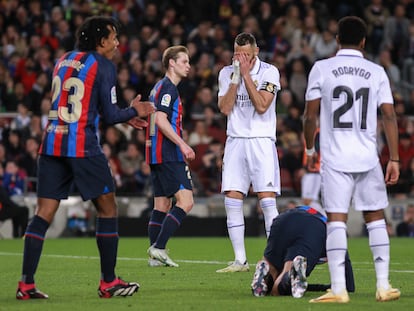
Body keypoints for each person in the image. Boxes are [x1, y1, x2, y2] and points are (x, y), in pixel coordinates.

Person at [16, 16, 155, 300]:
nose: (117, 44)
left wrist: (122, 114)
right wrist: (135, 110)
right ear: (101, 40)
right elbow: (112, 114)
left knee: (43, 213)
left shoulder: (63, 59)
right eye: (114, 38)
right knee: (108, 208)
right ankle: (109, 282)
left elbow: (90, 105)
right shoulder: (104, 65)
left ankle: (26, 285)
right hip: (81, 146)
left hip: (52, 142)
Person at [303, 16, 401, 303]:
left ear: (336, 40)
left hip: (334, 157)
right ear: (363, 41)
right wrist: (393, 158)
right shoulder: (376, 71)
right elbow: (390, 115)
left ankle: (338, 289)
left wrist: (310, 149)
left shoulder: (322, 68)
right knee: (375, 218)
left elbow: (310, 115)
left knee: (336, 220)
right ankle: (383, 286)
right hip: (368, 156)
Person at [216, 32, 281, 273]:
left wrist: (246, 76)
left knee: (266, 199)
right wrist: (236, 78)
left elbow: (263, 106)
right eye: (236, 52)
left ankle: (274, 258)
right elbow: (224, 108)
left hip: (261, 141)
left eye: (244, 53)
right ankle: (240, 260)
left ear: (256, 51)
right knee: (232, 198)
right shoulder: (225, 73)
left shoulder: (269, 72)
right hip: (235, 140)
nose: (239, 57)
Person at [146, 45, 195, 268]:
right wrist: (183, 144)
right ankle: (159, 247)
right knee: (186, 201)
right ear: (171, 63)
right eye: (184, 61)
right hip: (168, 153)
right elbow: (160, 119)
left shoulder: (157, 88)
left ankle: (154, 256)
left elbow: (152, 117)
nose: (188, 66)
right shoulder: (168, 89)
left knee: (161, 205)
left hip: (154, 152)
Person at [250, 205, 355, 298]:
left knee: (272, 264)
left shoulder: (327, 224)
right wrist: (322, 287)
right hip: (313, 228)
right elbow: (348, 286)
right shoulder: (337, 245)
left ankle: (264, 269)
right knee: (282, 282)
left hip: (283, 219)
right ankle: (290, 274)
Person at [300, 128, 321, 210]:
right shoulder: (316, 131)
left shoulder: (316, 132)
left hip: (313, 170)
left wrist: (305, 168)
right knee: (310, 200)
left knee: (308, 200)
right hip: (314, 170)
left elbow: (314, 152)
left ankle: (323, 217)